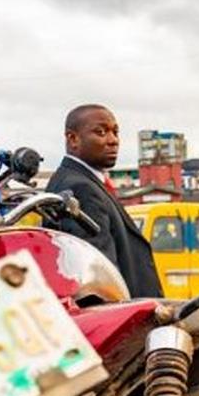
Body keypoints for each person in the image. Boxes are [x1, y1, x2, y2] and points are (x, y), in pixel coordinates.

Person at [47, 104, 163, 298]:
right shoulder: (81, 188)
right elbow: (99, 279)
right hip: (122, 319)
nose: (113, 141)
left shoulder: (80, 181)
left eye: (115, 132)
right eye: (101, 132)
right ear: (73, 139)